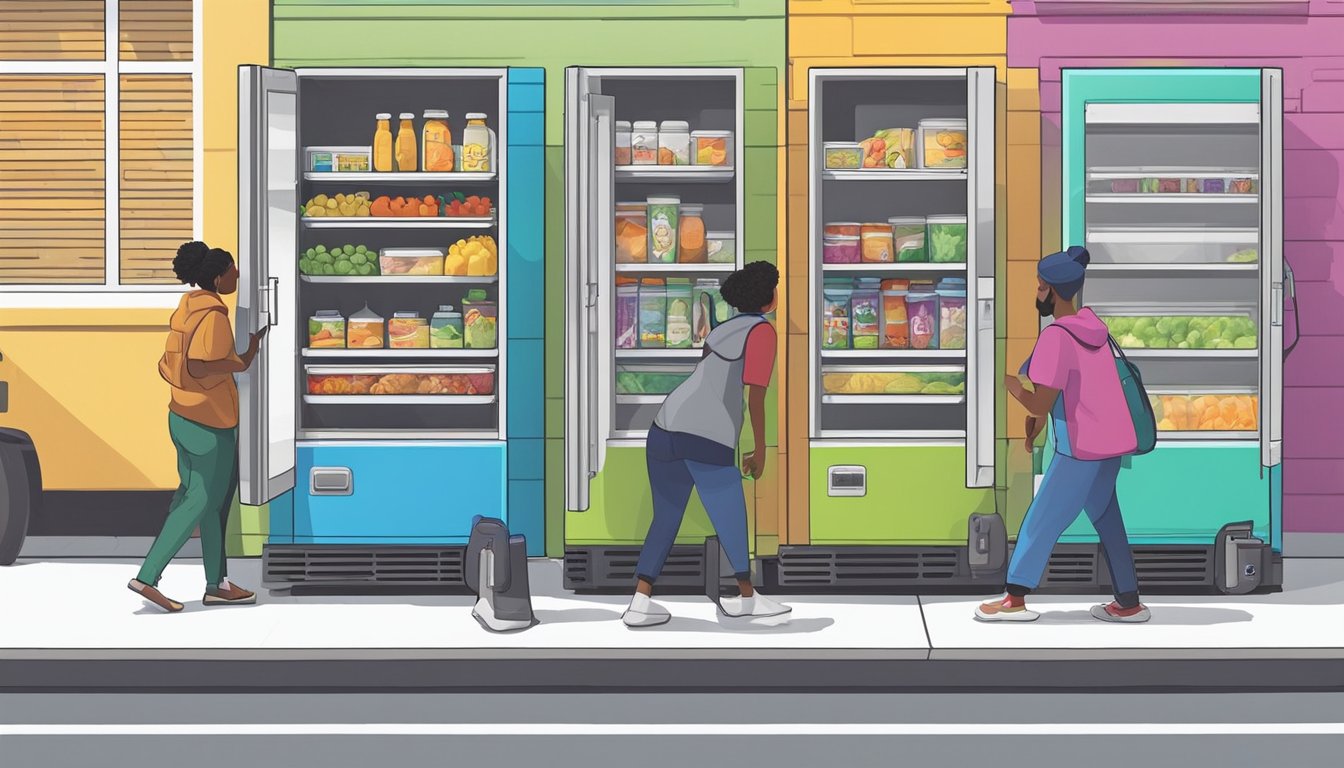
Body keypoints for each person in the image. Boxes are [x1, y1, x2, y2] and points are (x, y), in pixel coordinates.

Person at [977, 245, 1151, 624]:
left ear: (1053, 291)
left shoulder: (1057, 336)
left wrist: (1010, 386)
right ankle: (1128, 601)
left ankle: (1014, 598)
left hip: (1080, 450)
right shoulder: (1094, 329)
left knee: (1042, 518)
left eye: (1040, 288)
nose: (1038, 294)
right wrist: (1035, 428)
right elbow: (1071, 391)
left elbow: (1041, 401)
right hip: (1111, 446)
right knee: (1107, 519)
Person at [623, 261, 790, 627]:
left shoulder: (723, 330)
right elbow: (756, 396)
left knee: (666, 516)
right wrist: (759, 449)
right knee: (729, 512)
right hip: (707, 434)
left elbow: (706, 379)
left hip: (665, 426)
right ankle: (746, 598)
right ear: (769, 299)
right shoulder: (763, 332)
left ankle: (640, 601)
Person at [128, 241, 267, 613]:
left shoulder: (186, 310)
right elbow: (202, 365)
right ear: (219, 277)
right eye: (233, 271)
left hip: (182, 415)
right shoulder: (214, 316)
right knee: (202, 500)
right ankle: (147, 576)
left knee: (207, 503)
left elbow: (168, 364)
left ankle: (216, 583)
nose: (238, 275)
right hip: (210, 422)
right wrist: (244, 360)